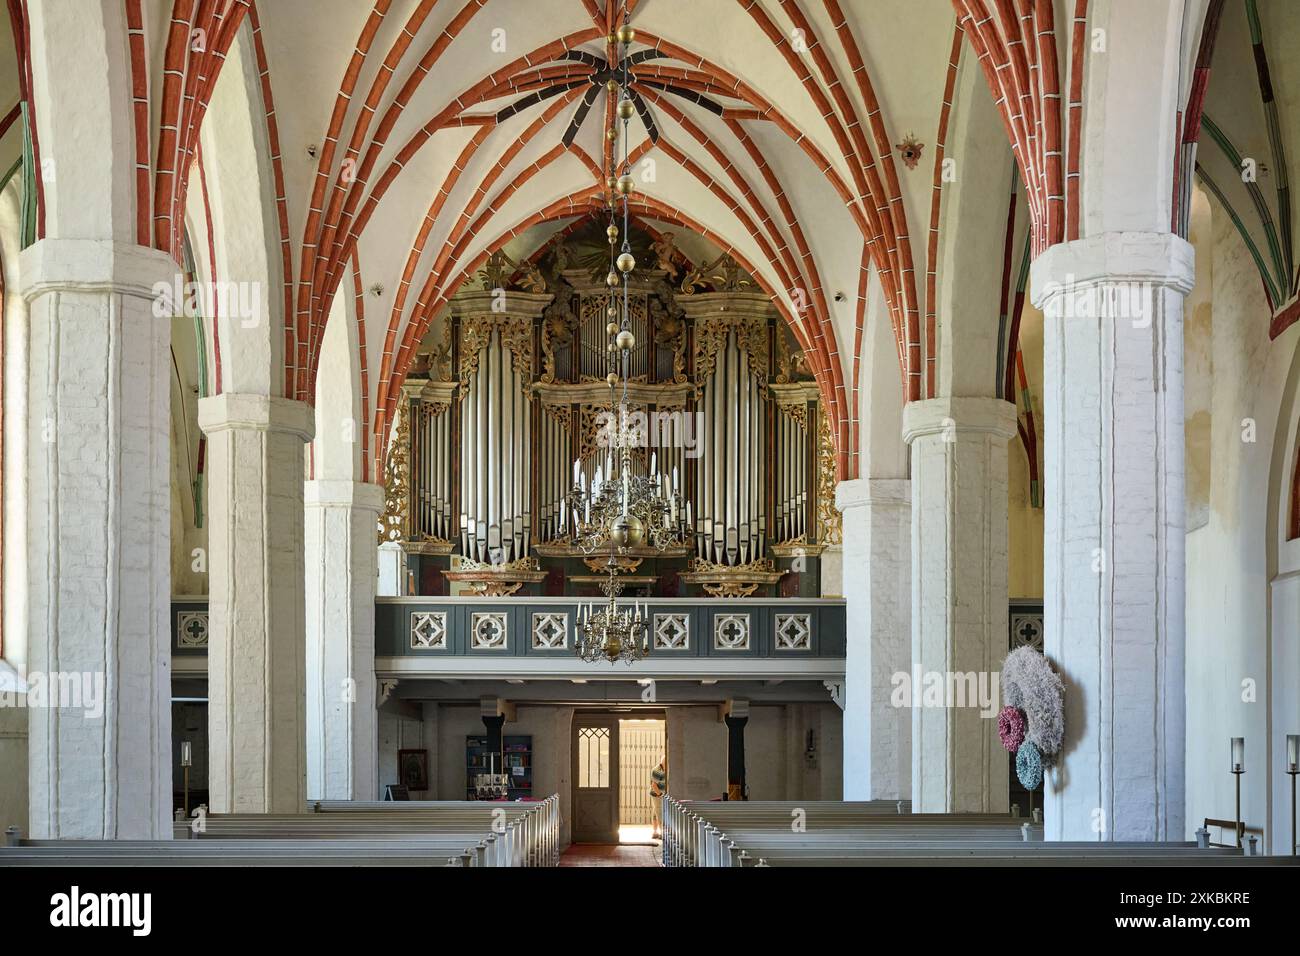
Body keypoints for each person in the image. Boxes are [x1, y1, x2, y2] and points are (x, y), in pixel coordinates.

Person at [649, 757, 668, 839]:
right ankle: (662, 832)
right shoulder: (657, 771)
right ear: (663, 763)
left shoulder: (666, 769)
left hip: (662, 793)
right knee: (659, 812)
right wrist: (660, 795)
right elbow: (653, 785)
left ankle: (655, 832)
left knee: (655, 812)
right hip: (656, 794)